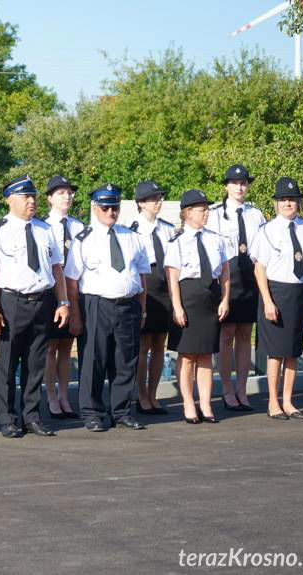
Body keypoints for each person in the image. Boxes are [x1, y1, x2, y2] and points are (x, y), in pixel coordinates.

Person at [0, 175, 69, 438]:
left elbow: (56, 269)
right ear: (10, 200)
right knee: (7, 364)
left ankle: (31, 416)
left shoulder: (45, 230)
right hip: (11, 302)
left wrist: (63, 302)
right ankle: (7, 418)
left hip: (42, 301)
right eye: (25, 197)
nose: (31, 201)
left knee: (35, 363)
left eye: (33, 197)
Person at [64, 184, 149, 432]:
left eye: (115, 207)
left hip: (128, 304)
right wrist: (76, 315)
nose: (111, 212)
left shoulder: (132, 237)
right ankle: (91, 413)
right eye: (106, 207)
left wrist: (142, 309)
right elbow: (71, 280)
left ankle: (121, 411)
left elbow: (142, 275)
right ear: (95, 207)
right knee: (93, 360)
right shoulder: (84, 239)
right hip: (96, 304)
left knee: (125, 360)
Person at [252, 178, 303, 420]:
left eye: (292, 199)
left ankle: (288, 401)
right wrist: (267, 300)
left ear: (299, 203)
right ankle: (273, 402)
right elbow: (259, 269)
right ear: (275, 203)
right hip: (276, 292)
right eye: (283, 199)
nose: (288, 203)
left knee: (293, 351)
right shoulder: (267, 230)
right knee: (276, 352)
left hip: (300, 293)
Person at [165, 189, 232, 425]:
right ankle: (188, 403)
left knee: (206, 355)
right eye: (201, 209)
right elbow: (172, 278)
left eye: (206, 209)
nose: (206, 213)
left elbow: (224, 273)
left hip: (210, 298)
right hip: (188, 298)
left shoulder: (216, 239)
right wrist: (177, 307)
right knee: (187, 355)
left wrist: (225, 299)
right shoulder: (178, 241)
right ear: (187, 212)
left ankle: (205, 403)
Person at [207, 164, 265, 411]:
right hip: (227, 279)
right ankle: (227, 390)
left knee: (244, 335)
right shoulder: (215, 213)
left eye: (243, 183)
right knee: (226, 335)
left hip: (250, 277)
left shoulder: (256, 214)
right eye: (235, 183)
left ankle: (242, 389)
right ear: (226, 186)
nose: (240, 187)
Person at [130, 181, 176, 415]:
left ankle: (153, 394)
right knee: (143, 346)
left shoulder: (167, 228)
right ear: (140, 203)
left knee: (160, 344)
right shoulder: (133, 231)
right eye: (152, 198)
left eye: (159, 197)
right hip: (146, 289)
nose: (158, 202)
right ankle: (140, 395)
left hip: (165, 288)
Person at [42, 175, 84, 419]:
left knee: (67, 348)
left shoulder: (79, 227)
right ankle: (50, 397)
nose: (66, 196)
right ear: (49, 198)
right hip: (52, 293)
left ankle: (65, 396)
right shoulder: (42, 226)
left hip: (74, 292)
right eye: (60, 193)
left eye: (69, 192)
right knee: (51, 348)